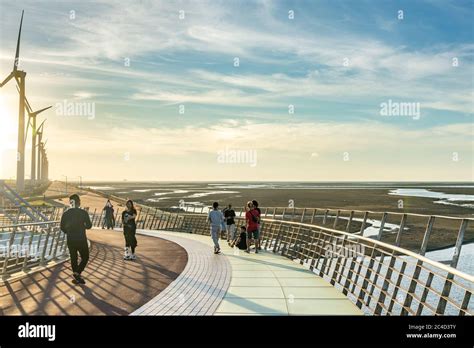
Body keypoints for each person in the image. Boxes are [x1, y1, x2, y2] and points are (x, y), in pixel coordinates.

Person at [60, 194, 92, 285]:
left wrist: (69, 232)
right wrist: (83, 226)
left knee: (73, 257)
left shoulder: (66, 214)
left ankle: (76, 275)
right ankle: (77, 273)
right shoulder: (83, 213)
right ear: (79, 202)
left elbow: (62, 227)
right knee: (85, 257)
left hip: (70, 239)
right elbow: (89, 226)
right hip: (81, 238)